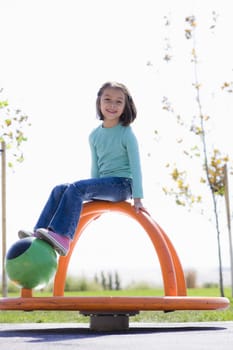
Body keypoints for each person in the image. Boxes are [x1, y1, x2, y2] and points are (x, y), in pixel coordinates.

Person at [18, 81, 146, 256]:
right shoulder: (94, 135)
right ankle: (39, 232)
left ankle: (63, 236)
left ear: (126, 106)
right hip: (104, 184)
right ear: (99, 102)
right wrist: (95, 200)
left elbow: (136, 167)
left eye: (118, 101)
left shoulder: (126, 133)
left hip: (123, 186)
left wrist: (138, 199)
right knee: (60, 189)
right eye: (107, 99)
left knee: (76, 188)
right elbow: (95, 169)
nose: (112, 105)